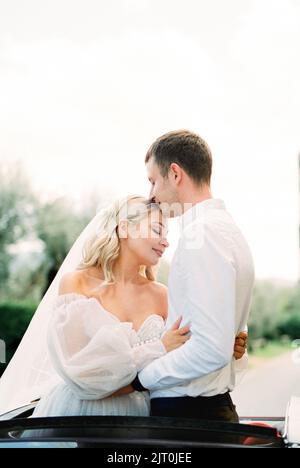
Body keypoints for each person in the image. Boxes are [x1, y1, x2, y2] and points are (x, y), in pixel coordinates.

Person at [0, 195, 246, 417]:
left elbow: (192, 346)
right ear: (126, 228)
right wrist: (158, 347)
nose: (165, 242)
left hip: (142, 416)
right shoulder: (77, 284)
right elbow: (81, 374)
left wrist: (226, 343)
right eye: (157, 230)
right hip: (78, 415)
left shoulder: (162, 295)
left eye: (167, 235)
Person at [119, 130, 254, 423]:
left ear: (175, 173)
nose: (152, 194)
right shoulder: (227, 231)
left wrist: (143, 379)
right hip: (206, 410)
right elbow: (223, 340)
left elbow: (211, 349)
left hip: (188, 417)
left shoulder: (202, 235)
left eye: (153, 180)